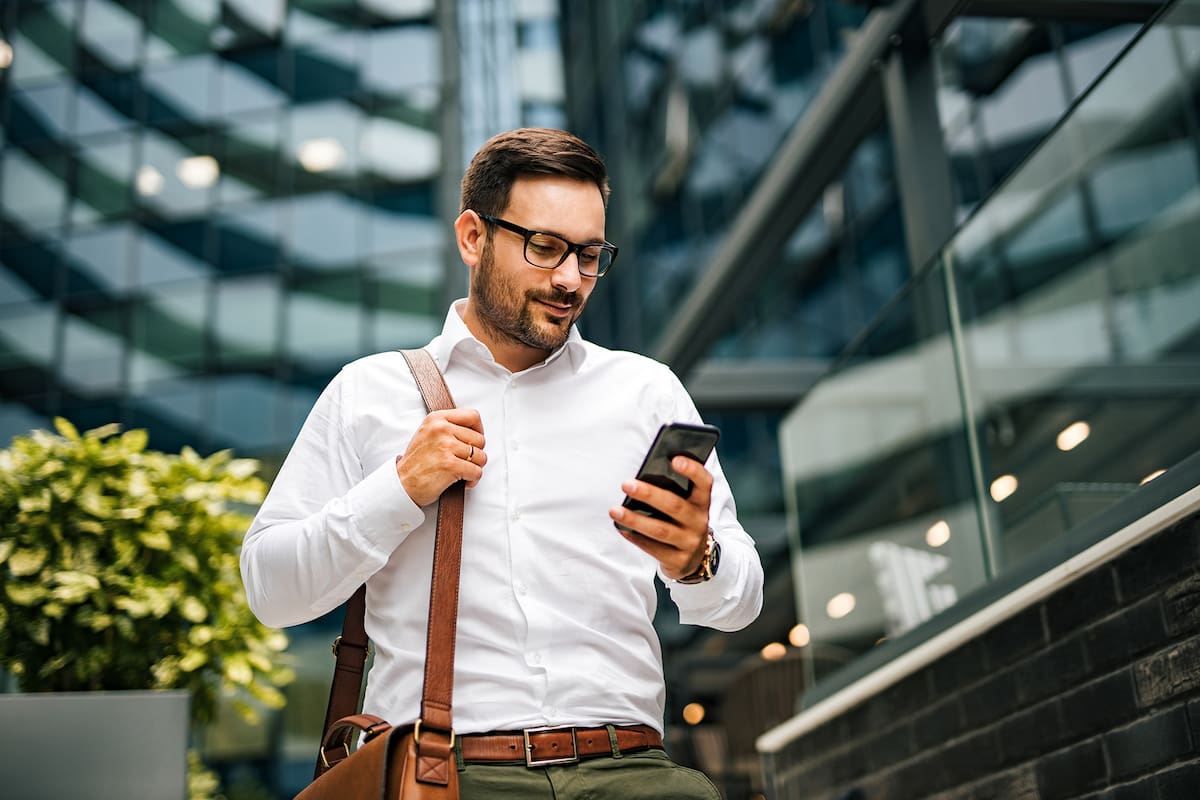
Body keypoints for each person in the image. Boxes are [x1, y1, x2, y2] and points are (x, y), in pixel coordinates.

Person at [241, 127, 764, 798]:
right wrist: (398, 489)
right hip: (445, 774)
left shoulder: (646, 392)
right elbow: (270, 590)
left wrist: (698, 560)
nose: (570, 279)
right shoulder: (369, 393)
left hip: (631, 769)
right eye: (544, 247)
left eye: (589, 255)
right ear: (472, 237)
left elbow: (741, 601)